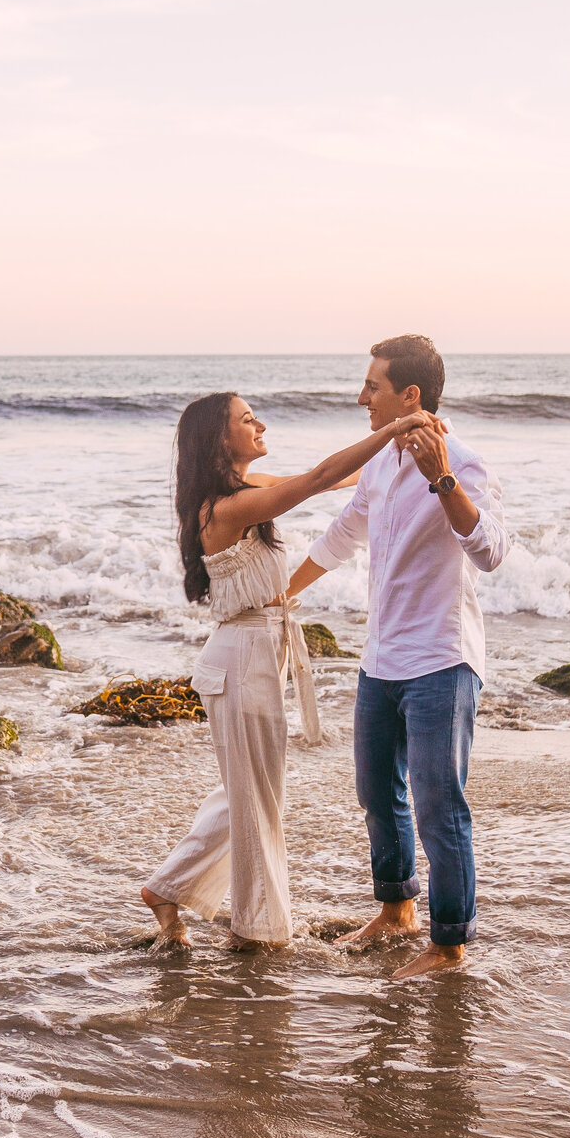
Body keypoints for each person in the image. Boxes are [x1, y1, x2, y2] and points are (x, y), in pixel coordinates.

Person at [141, 392, 440, 949]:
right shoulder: (223, 507)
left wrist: (399, 448)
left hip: (255, 654)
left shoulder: (244, 491)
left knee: (246, 793)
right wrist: (395, 424)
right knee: (257, 800)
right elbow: (315, 477)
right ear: (219, 439)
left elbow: (334, 479)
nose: (258, 424)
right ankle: (256, 930)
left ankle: (168, 888)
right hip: (240, 660)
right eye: (245, 419)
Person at [288, 334, 508, 980]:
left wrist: (439, 476)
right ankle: (396, 911)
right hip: (380, 659)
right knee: (378, 794)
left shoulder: (465, 464)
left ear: (409, 395)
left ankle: (449, 944)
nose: (362, 397)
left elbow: (491, 551)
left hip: (441, 660)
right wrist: (281, 592)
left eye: (373, 386)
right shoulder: (382, 460)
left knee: (441, 804)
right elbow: (343, 533)